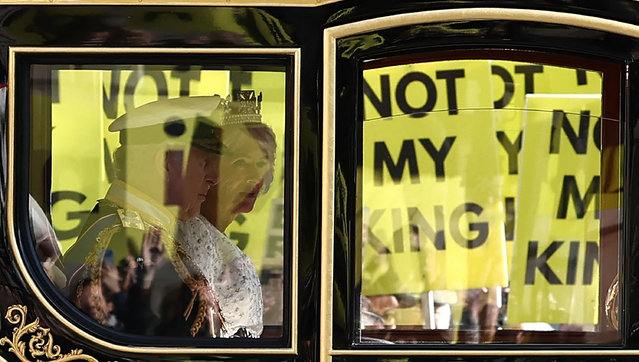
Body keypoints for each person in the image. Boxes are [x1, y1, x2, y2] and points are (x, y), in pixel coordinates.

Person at [63, 95, 224, 336]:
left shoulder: (127, 230)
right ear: (167, 164)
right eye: (204, 163)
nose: (214, 178)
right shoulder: (127, 243)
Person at [178, 90, 276, 338]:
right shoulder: (193, 233)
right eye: (241, 162)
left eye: (262, 162)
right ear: (210, 169)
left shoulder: (214, 237)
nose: (255, 177)